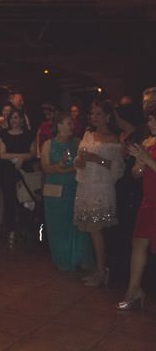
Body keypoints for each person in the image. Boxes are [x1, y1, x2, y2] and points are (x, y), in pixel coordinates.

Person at [74, 100, 124, 287]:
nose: (94, 117)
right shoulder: (88, 135)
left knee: (97, 231)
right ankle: (99, 269)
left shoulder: (114, 139)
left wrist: (98, 159)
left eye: (98, 114)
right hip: (86, 186)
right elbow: (78, 164)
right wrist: (79, 160)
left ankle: (102, 271)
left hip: (102, 187)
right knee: (92, 231)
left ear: (108, 116)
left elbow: (117, 169)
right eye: (92, 114)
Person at [40, 112, 93, 271]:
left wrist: (66, 168)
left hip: (73, 187)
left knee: (75, 223)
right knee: (58, 224)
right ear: (59, 125)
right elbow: (46, 168)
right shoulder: (48, 144)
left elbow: (83, 165)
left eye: (72, 123)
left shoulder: (77, 142)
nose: (72, 126)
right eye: (69, 123)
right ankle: (62, 259)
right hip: (54, 190)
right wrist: (62, 165)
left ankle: (78, 257)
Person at [117, 106, 156, 309]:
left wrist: (147, 160)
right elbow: (135, 173)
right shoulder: (148, 142)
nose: (151, 124)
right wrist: (139, 165)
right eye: (149, 120)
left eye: (154, 120)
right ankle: (133, 290)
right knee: (138, 245)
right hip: (148, 201)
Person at [0, 109, 36, 247]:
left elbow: (33, 153)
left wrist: (21, 158)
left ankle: (26, 230)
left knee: (26, 201)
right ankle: (11, 230)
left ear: (21, 119)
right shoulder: (4, 134)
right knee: (9, 201)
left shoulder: (29, 135)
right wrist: (19, 157)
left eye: (17, 118)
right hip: (9, 172)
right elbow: (2, 154)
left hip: (25, 171)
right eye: (12, 118)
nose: (14, 120)